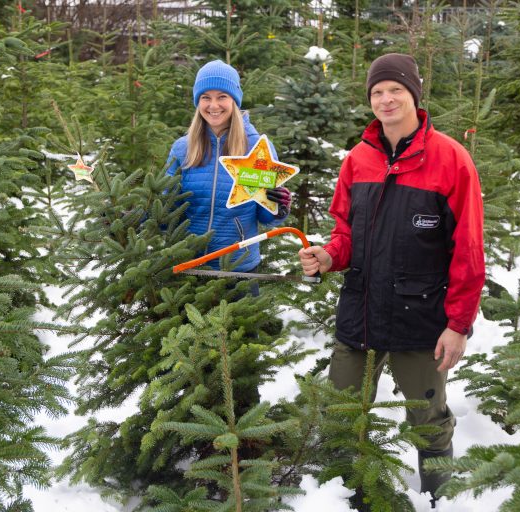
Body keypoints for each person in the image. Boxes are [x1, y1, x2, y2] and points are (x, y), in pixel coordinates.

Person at [298, 53, 485, 506]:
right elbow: (346, 234)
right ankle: (344, 494)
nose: (386, 99)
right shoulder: (358, 160)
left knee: (427, 418)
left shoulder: (451, 160)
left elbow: (468, 251)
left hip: (419, 318)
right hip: (359, 311)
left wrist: (458, 325)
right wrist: (328, 255)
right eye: (377, 92)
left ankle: (440, 496)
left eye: (395, 90)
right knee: (342, 412)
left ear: (414, 95)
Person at [165, 60, 292, 277]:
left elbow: (266, 217)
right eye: (206, 97)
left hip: (239, 269)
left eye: (222, 96)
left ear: (234, 100)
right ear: (198, 101)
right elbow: (165, 204)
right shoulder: (183, 148)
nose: (213, 106)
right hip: (189, 265)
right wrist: (130, 217)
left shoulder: (257, 148)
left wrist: (278, 206)